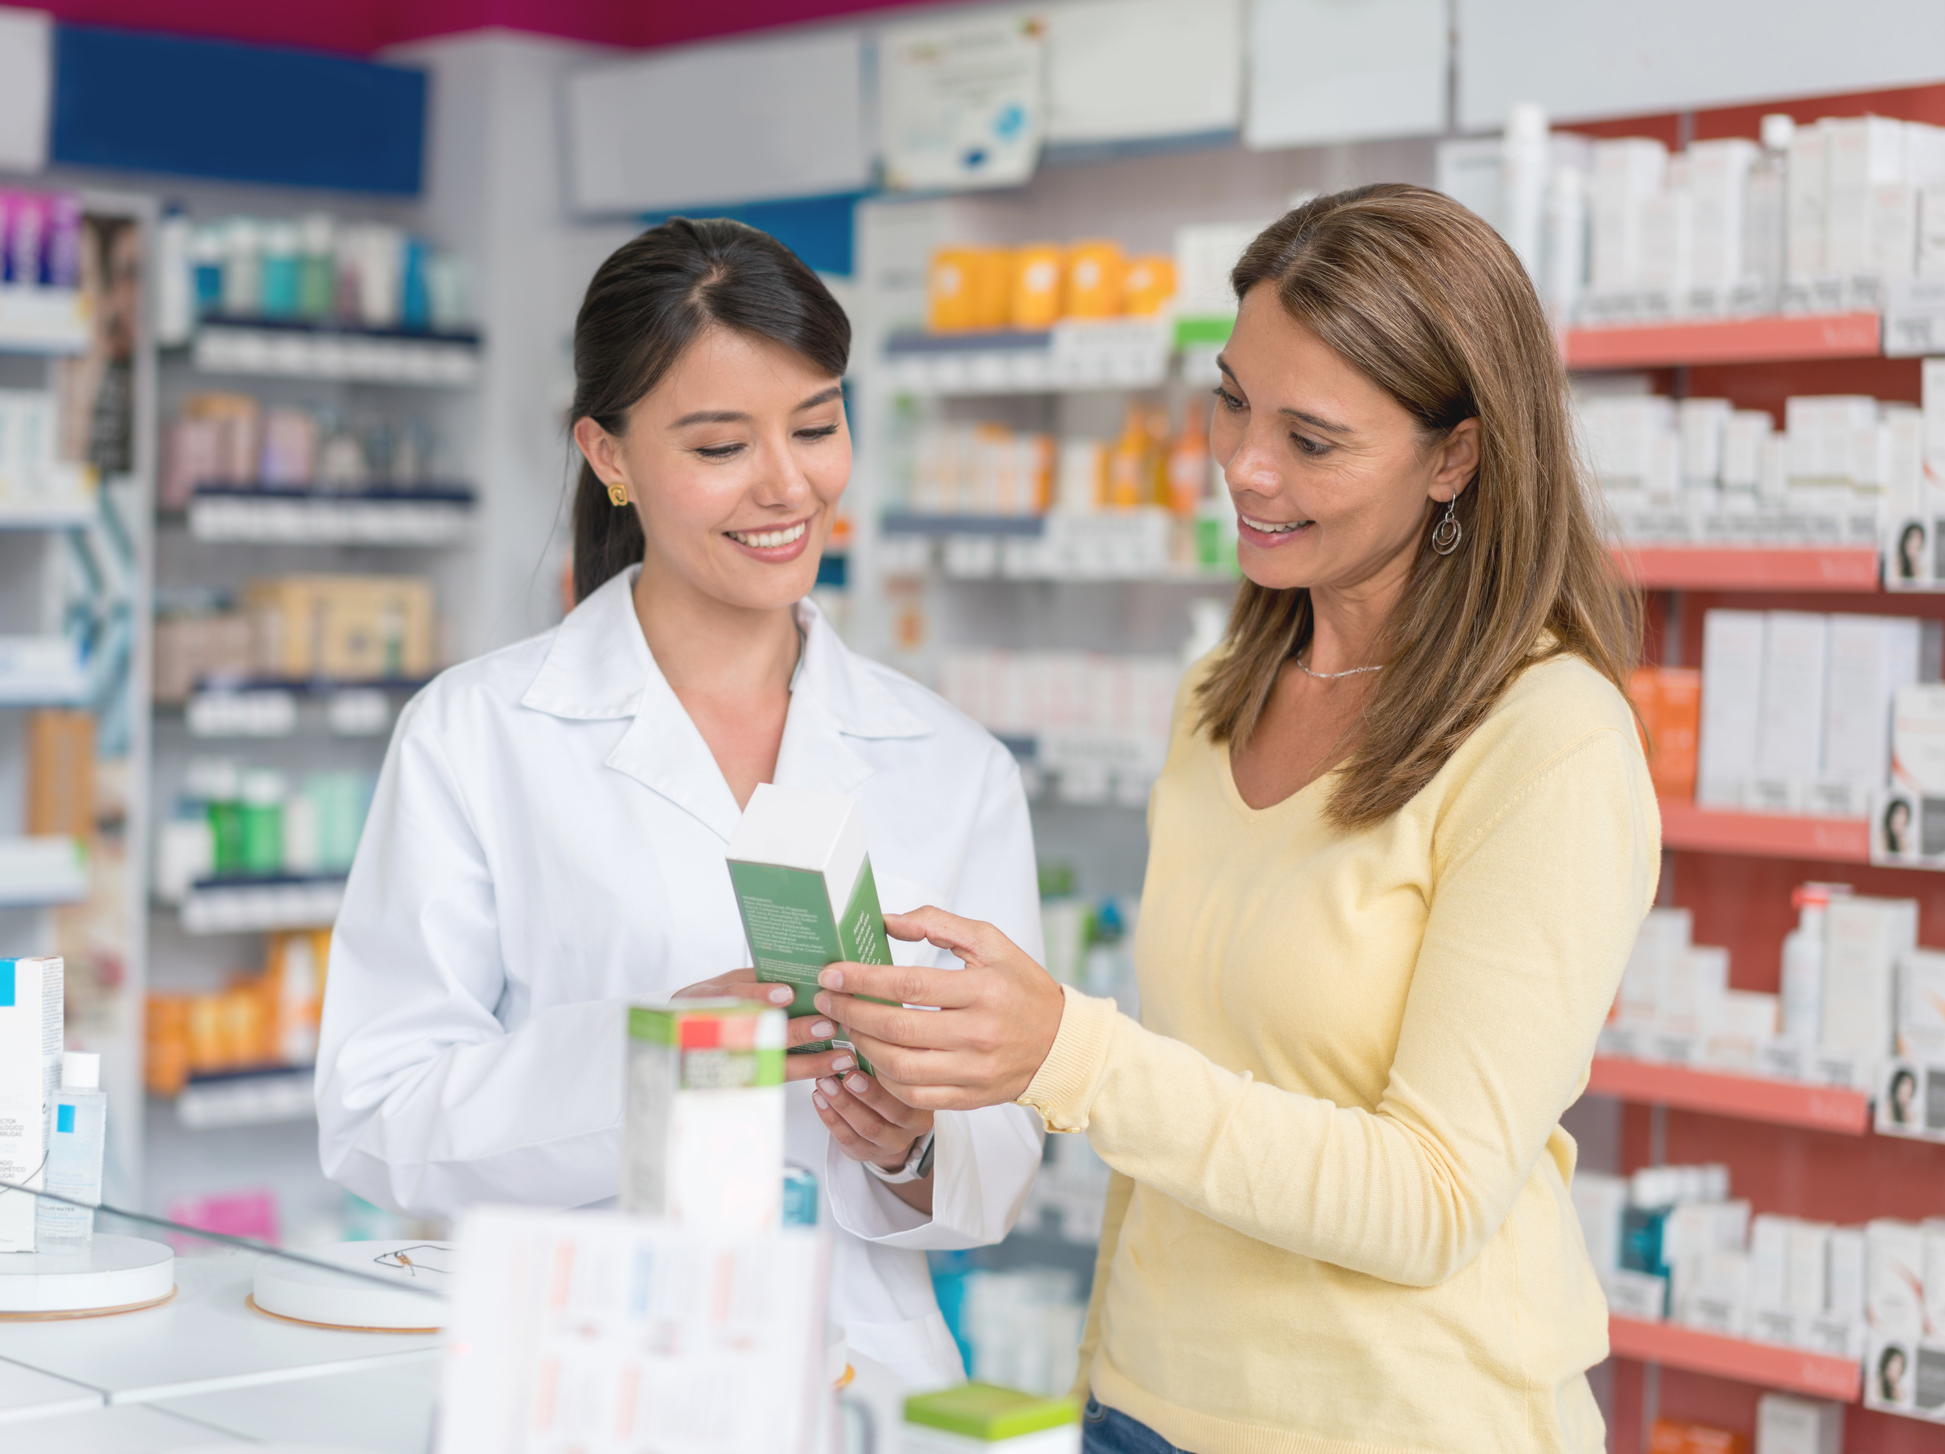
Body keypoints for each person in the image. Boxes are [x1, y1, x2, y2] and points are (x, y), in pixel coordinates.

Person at [813, 186, 1658, 1453]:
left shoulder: (1549, 743)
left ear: (1455, 457)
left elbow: (1431, 1197)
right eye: (1232, 401)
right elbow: (1199, 1099)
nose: (1245, 466)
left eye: (1311, 439)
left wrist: (1070, 1054)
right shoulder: (1223, 695)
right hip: (1144, 1406)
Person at [314, 217, 1044, 1388]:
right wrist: (655, 1056)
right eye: (720, 445)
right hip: (583, 1366)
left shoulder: (951, 765)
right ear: (608, 453)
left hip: (857, 1376)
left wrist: (912, 1145)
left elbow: (1001, 1147)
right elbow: (377, 1116)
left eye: (816, 425)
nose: (787, 483)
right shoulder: (479, 732)